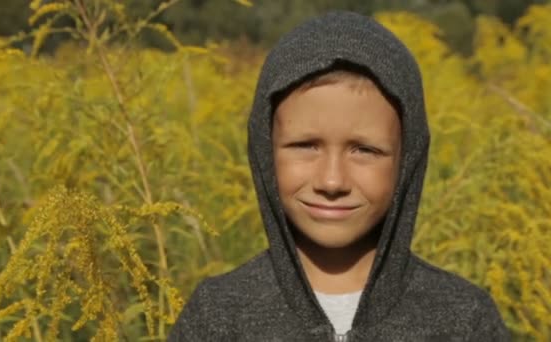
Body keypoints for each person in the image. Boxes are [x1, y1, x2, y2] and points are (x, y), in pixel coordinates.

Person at [169, 11, 509, 341]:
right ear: (265, 150)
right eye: (305, 145)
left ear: (407, 159)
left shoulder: (465, 320)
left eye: (364, 150)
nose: (332, 182)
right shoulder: (217, 317)